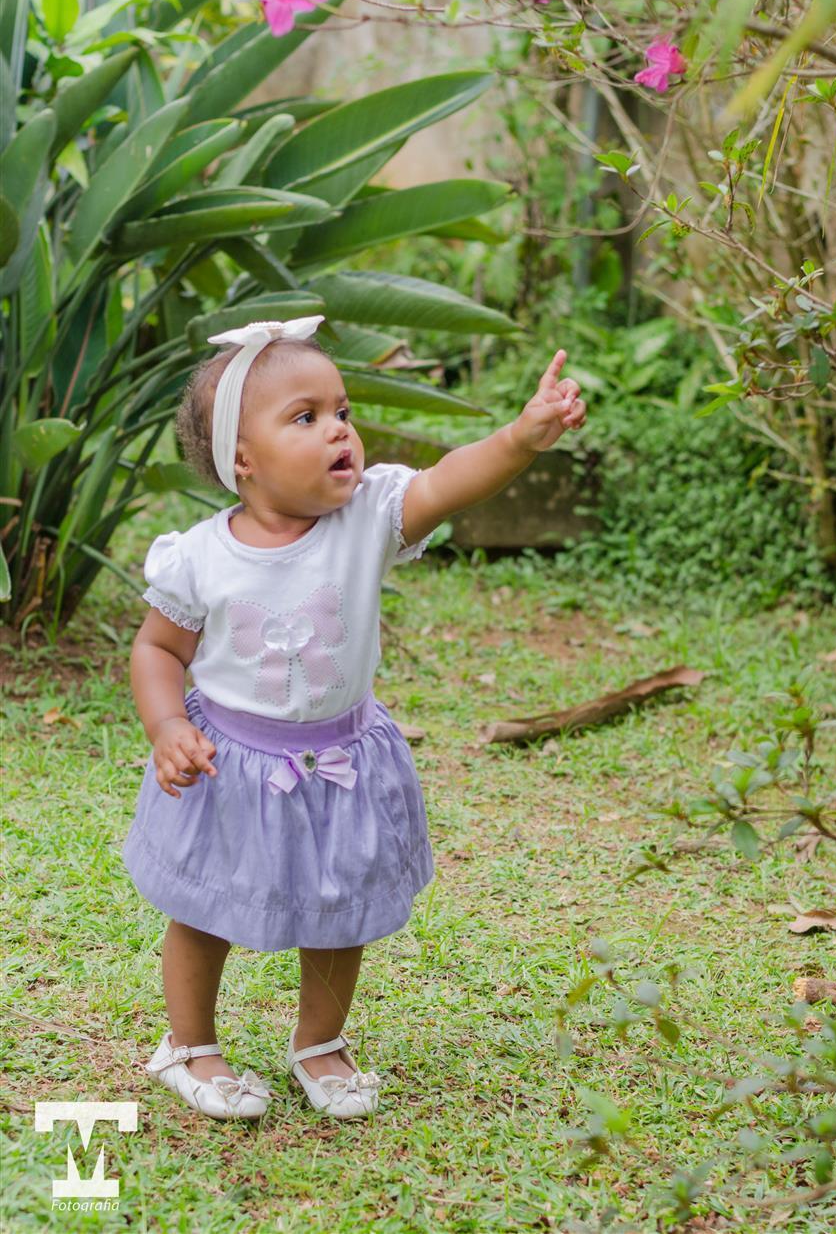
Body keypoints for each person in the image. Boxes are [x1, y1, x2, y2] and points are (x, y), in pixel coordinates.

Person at [122, 316, 586, 1122]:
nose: (338, 428)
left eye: (341, 410)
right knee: (205, 910)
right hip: (231, 766)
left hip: (339, 756)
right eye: (304, 417)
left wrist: (521, 435)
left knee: (340, 909)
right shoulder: (199, 556)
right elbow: (157, 649)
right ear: (243, 459)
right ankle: (189, 1045)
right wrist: (167, 727)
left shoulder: (368, 516)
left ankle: (319, 1043)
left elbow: (451, 480)